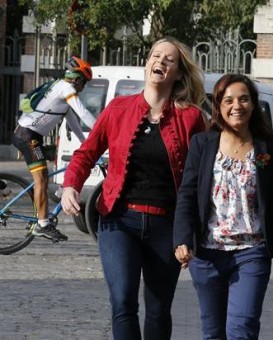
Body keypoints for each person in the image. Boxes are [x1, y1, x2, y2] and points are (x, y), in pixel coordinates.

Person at [60, 37, 206, 339]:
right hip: (118, 220)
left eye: (169, 59)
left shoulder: (190, 117)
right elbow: (86, 153)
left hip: (166, 224)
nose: (161, 62)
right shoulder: (118, 109)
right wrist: (70, 186)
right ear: (147, 64)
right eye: (156, 56)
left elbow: (200, 178)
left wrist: (191, 231)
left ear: (178, 73)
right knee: (123, 300)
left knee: (158, 308)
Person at [173, 74, 273, 340]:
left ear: (253, 104)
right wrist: (182, 239)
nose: (236, 106)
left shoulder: (265, 148)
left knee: (241, 329)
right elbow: (187, 195)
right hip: (207, 255)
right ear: (218, 106)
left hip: (252, 252)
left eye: (243, 99)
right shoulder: (203, 145)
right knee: (213, 333)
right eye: (228, 100)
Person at [11, 56, 96, 241]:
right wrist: (102, 130)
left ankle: (40, 216)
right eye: (84, 83)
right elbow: (83, 113)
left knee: (44, 177)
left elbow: (73, 121)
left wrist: (86, 142)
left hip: (32, 135)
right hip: (26, 136)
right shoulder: (66, 88)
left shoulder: (61, 88)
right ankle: (42, 224)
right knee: (41, 178)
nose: (83, 88)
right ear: (77, 79)